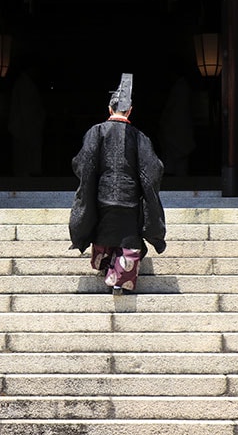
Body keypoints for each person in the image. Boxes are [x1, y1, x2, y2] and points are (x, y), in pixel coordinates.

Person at [69, 73, 166, 295]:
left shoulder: (97, 132)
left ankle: (105, 265)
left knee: (104, 233)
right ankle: (120, 280)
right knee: (129, 240)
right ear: (130, 111)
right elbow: (154, 169)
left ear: (110, 109)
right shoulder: (139, 136)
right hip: (129, 199)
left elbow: (82, 162)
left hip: (102, 198)